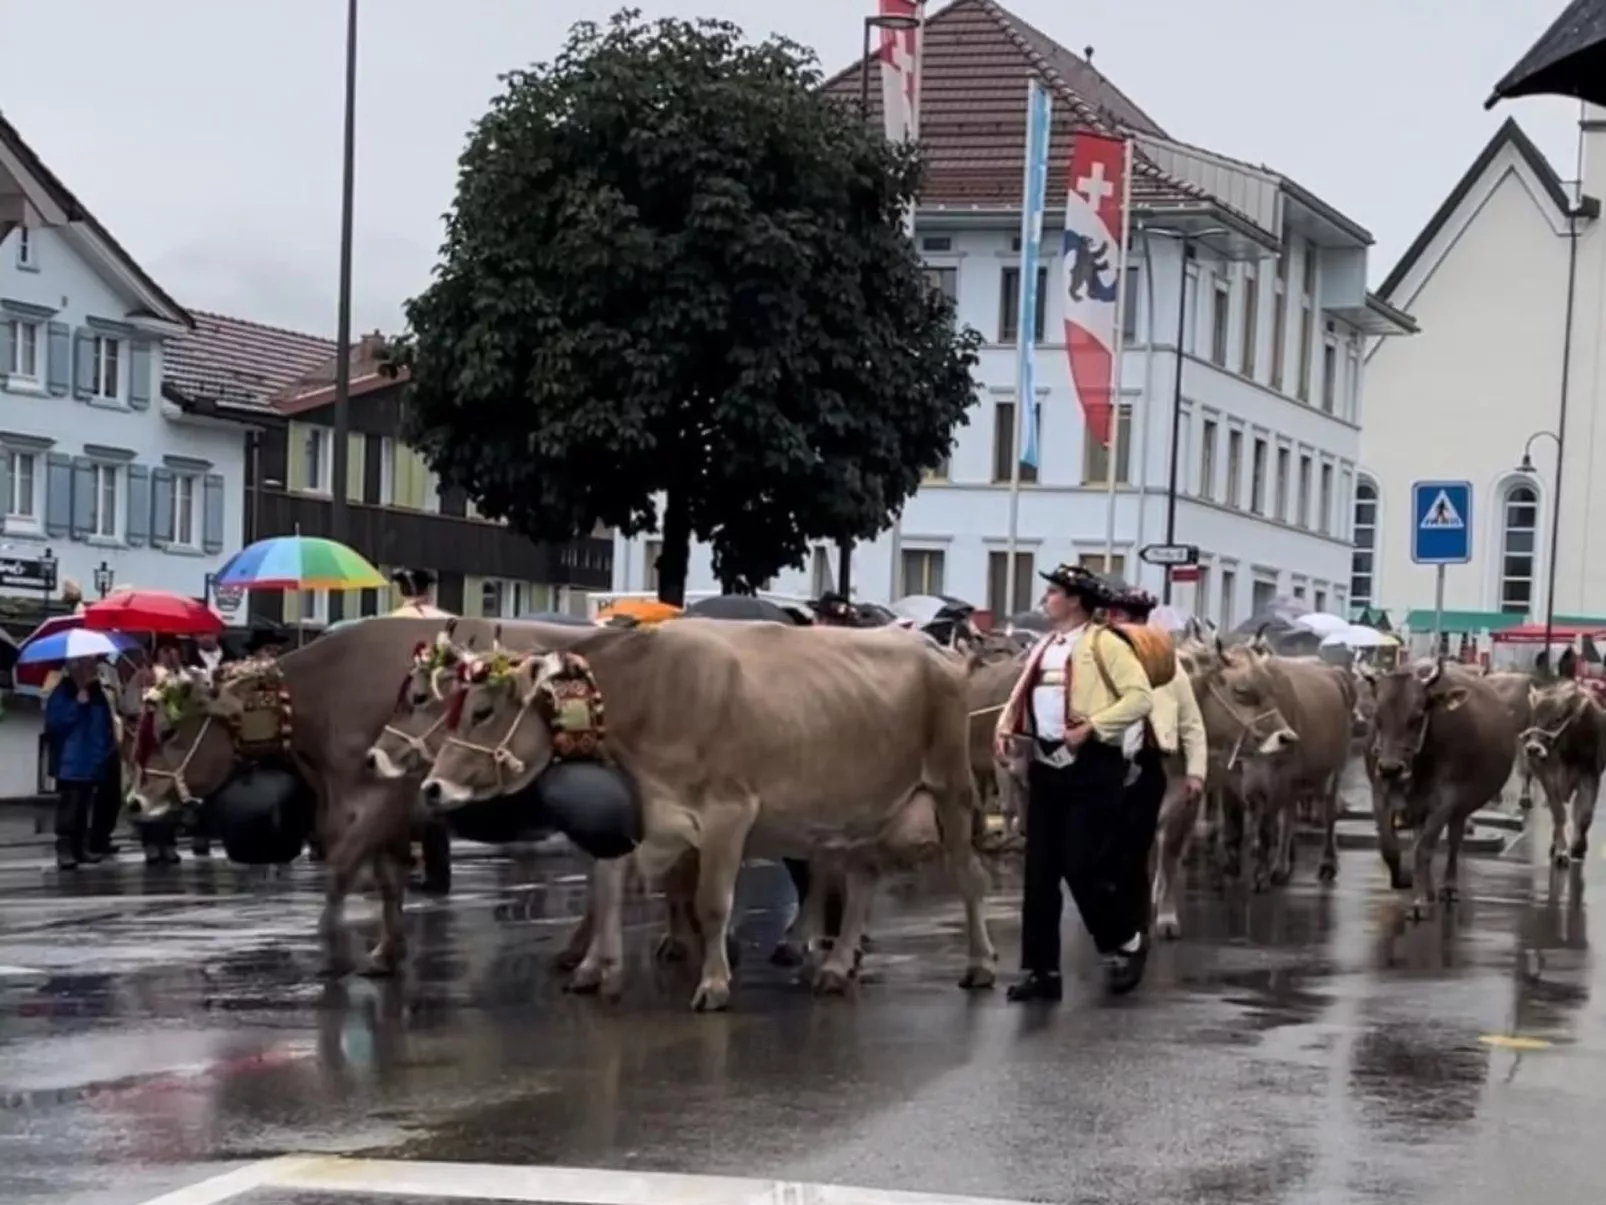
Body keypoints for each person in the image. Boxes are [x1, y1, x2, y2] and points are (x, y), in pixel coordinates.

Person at [993, 564, 1154, 1001]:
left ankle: (1124, 939)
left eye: (1053, 592)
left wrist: (1093, 726)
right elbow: (1022, 693)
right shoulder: (1045, 645)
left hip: (1093, 763)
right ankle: (1042, 971)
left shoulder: (1105, 643)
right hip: (1047, 762)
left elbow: (1140, 698)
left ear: (1076, 600)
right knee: (1040, 871)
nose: (1045, 599)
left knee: (1082, 864)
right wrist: (1006, 728)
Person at [1103, 585, 1207, 938]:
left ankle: (1156, 907)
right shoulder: (1096, 660)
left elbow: (1192, 724)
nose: (1123, 625)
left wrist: (1196, 772)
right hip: (1107, 759)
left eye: (1134, 618)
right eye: (1118, 618)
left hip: (1157, 762)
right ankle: (1120, 913)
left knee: (1157, 842)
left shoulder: (1169, 666)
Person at [44, 657, 117, 870]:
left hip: (92, 759)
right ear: (76, 668)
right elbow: (54, 723)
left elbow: (105, 724)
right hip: (71, 761)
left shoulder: (97, 693)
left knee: (84, 806)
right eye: (88, 665)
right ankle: (65, 848)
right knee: (70, 805)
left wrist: (106, 750)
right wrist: (77, 704)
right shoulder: (63, 691)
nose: (93, 669)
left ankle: (80, 846)